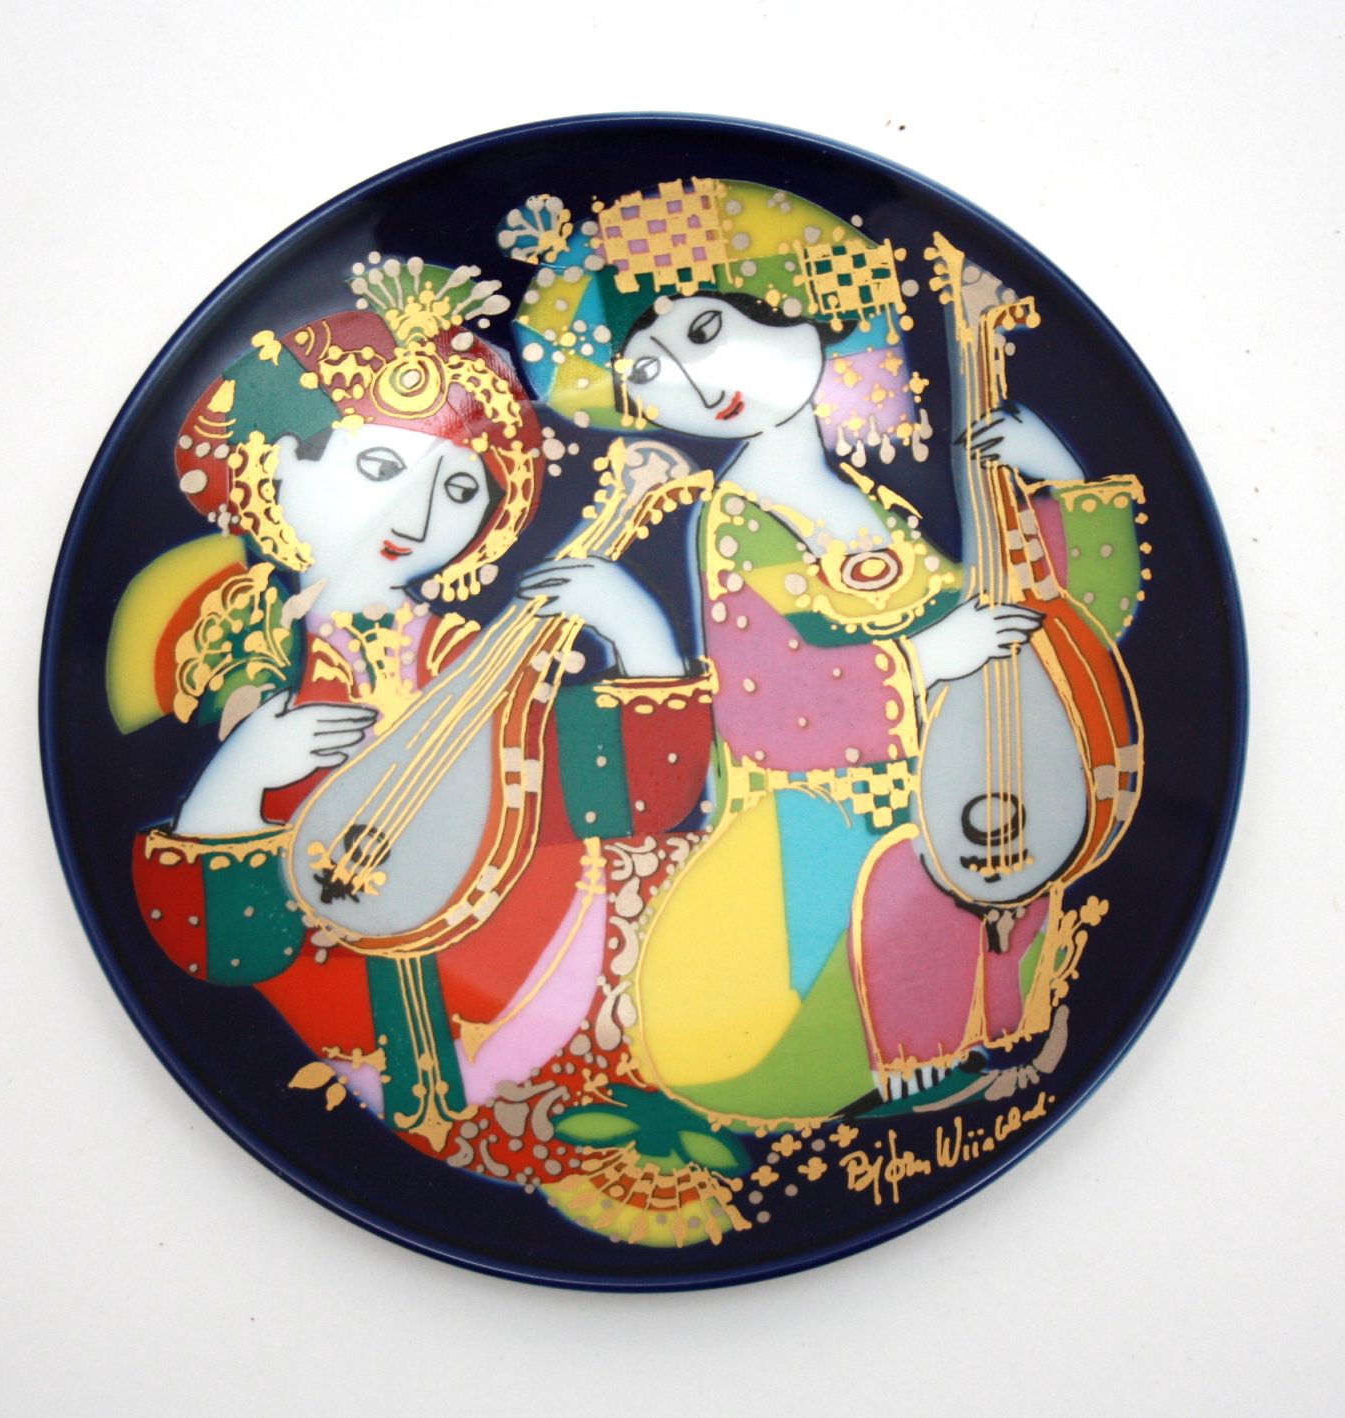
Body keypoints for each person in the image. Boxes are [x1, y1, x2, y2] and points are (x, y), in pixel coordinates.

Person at [106, 255, 745, 1241]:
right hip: (375, 990)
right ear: (280, 463)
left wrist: (642, 638)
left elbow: (611, 789)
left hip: (545, 929)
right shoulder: (239, 654)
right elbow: (227, 946)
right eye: (378, 470)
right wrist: (236, 782)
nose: (413, 518)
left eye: (457, 490)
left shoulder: (457, 653)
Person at [502, 179, 1148, 1131]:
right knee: (871, 939)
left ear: (798, 308)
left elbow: (1039, 622)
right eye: (647, 370)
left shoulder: (868, 499)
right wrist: (928, 661)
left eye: (706, 331)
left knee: (990, 897)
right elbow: (768, 700)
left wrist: (1056, 480)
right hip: (817, 824)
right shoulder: (738, 518)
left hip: (949, 792)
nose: (693, 384)